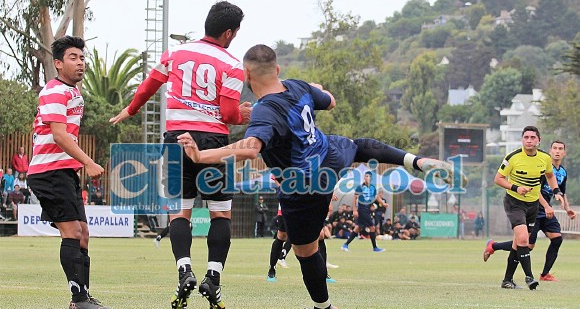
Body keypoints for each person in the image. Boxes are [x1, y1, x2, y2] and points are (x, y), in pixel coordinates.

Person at [176, 44, 465, 309]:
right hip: (330, 156)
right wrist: (312, 88)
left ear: (246, 75)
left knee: (305, 251)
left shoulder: (264, 111)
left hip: (302, 184)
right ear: (277, 70)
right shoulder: (297, 87)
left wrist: (201, 156)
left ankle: (324, 307)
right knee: (360, 145)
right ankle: (417, 160)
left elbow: (251, 149)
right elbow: (330, 101)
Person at [109, 1, 250, 309]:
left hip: (175, 139)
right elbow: (227, 112)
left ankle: (184, 269)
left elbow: (149, 85)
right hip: (213, 142)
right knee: (220, 213)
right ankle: (212, 278)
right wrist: (243, 116)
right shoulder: (232, 63)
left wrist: (130, 110)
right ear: (229, 32)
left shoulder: (175, 53)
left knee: (179, 212)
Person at [26, 36, 108, 309]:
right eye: (73, 58)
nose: (80, 63)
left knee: (83, 232)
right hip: (49, 171)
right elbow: (59, 136)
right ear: (59, 64)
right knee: (72, 231)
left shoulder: (73, 93)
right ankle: (78, 299)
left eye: (82, 58)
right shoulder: (53, 91)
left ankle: (82, 298)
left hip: (63, 171)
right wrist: (88, 162)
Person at [483, 140, 575, 282]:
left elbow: (561, 192)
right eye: (554, 148)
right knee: (526, 245)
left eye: (560, 149)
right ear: (550, 151)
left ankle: (544, 274)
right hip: (535, 207)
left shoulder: (562, 172)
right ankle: (494, 247)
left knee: (557, 239)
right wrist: (546, 206)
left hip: (546, 211)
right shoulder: (541, 167)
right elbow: (535, 190)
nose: (557, 151)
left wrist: (567, 209)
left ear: (564, 152)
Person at [341, 172, 388, 252]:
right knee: (372, 226)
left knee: (358, 227)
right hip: (362, 209)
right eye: (366, 176)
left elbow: (376, 197)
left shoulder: (372, 187)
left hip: (367, 209)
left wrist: (383, 203)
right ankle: (375, 247)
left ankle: (345, 245)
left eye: (369, 176)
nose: (367, 177)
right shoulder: (360, 187)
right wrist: (355, 210)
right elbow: (355, 198)